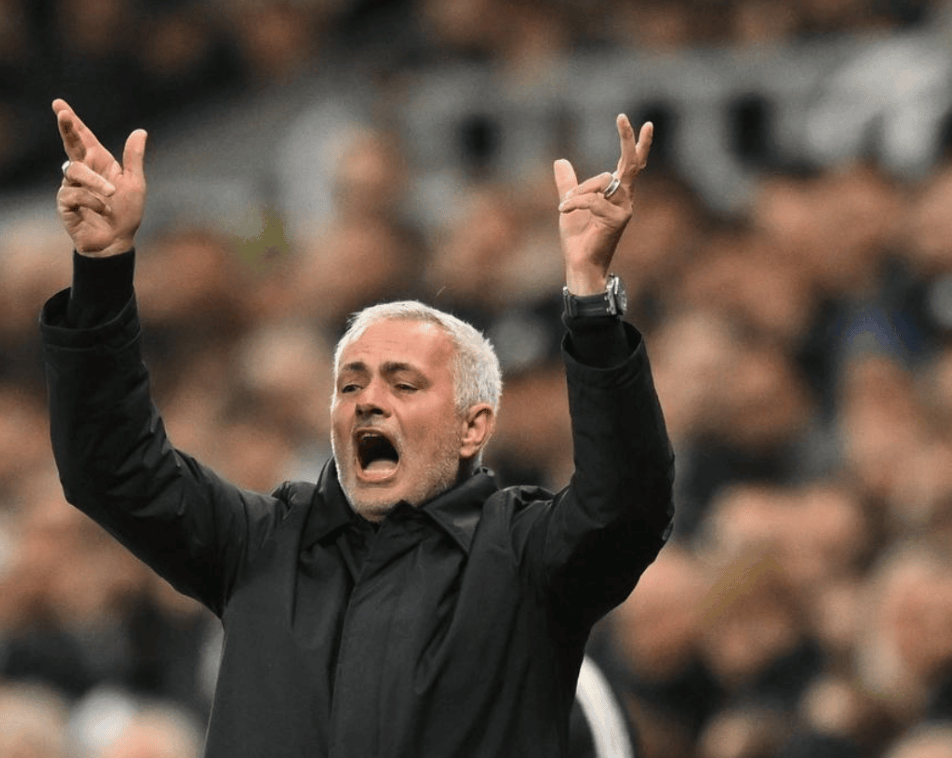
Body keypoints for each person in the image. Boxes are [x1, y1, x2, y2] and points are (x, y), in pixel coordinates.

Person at [39, 97, 674, 758]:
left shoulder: (527, 555)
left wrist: (592, 307)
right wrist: (102, 271)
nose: (368, 401)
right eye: (350, 384)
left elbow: (626, 504)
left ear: (473, 427)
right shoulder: (262, 545)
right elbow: (111, 466)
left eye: (404, 384)